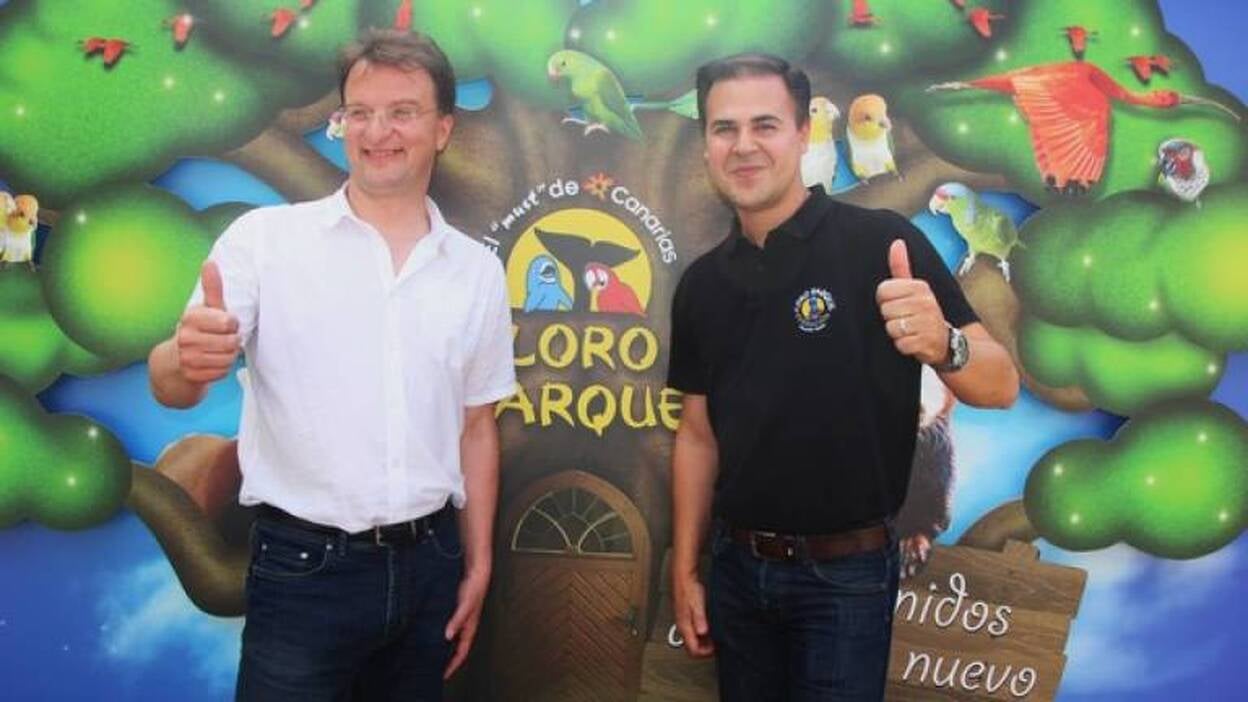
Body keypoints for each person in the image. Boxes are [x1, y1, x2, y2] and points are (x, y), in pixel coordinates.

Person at [148, 29, 515, 701]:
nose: (377, 131)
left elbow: (477, 428)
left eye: (402, 112)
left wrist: (478, 563)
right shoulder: (265, 242)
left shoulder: (478, 271)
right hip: (302, 572)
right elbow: (173, 385)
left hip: (432, 567)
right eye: (360, 112)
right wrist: (182, 358)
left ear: (442, 129)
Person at [667, 53, 1019, 701]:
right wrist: (686, 568)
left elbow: (1000, 385)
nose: (743, 145)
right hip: (735, 574)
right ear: (706, 143)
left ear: (803, 133)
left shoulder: (881, 243)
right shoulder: (700, 285)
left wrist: (943, 344)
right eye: (724, 128)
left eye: (765, 125)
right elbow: (696, 434)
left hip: (846, 579)